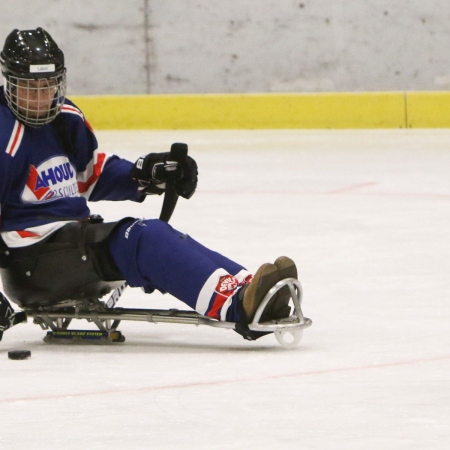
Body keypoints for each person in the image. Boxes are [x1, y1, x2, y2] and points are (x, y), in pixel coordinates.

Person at [0, 27, 297, 342]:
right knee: (142, 237)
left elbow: (89, 176)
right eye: (29, 89)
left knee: (163, 236)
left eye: (48, 87)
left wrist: (145, 174)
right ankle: (239, 307)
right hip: (30, 264)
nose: (41, 98)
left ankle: (251, 289)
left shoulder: (66, 118)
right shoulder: (4, 136)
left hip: (70, 242)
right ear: (9, 85)